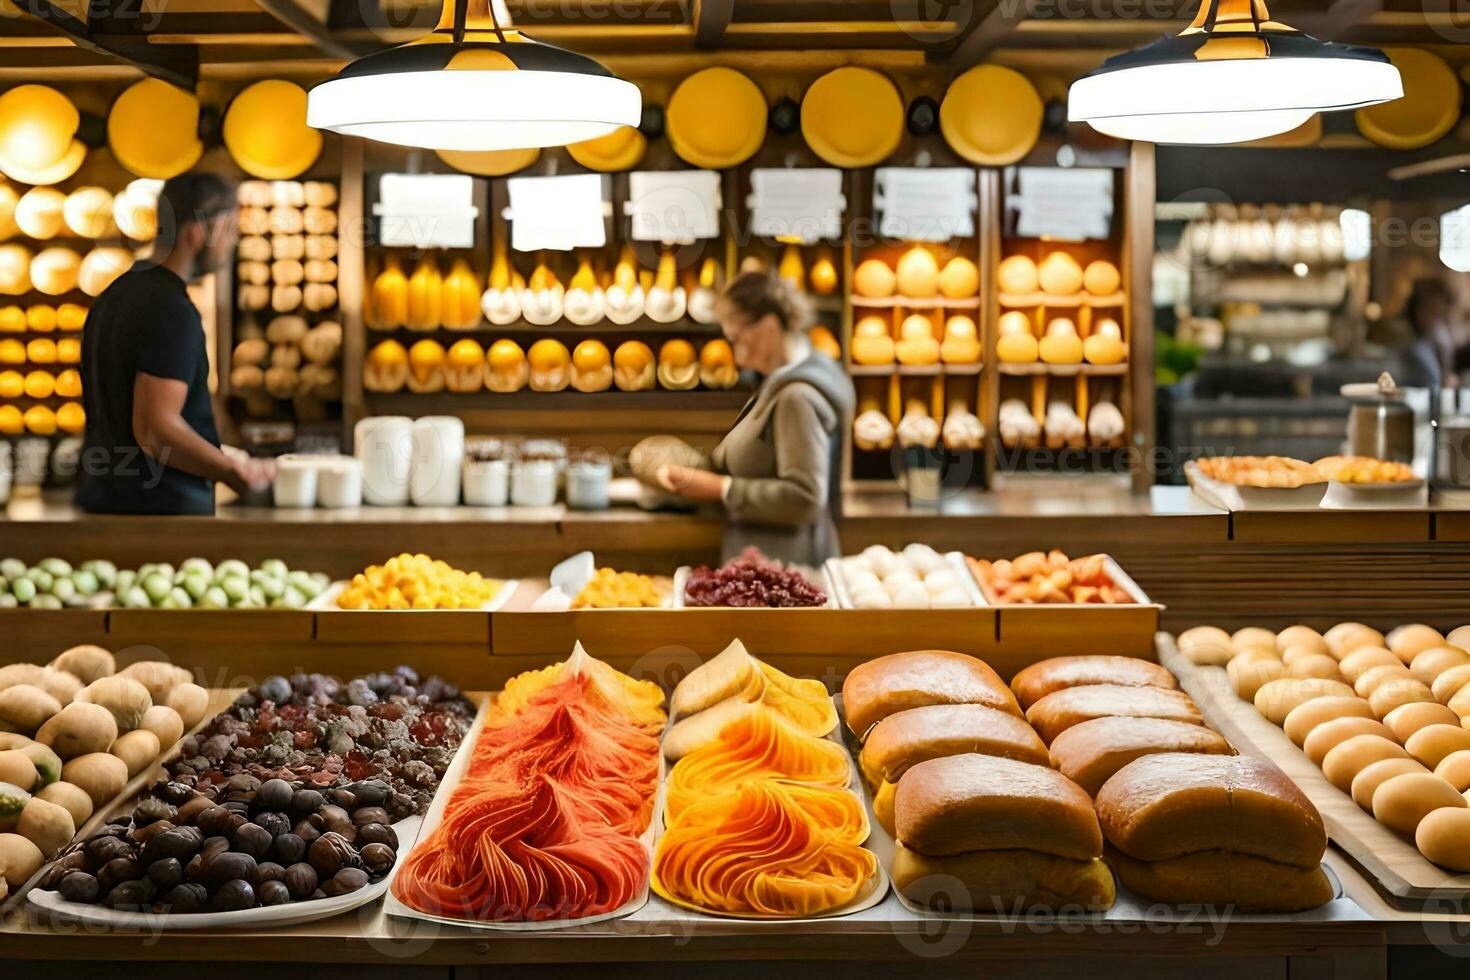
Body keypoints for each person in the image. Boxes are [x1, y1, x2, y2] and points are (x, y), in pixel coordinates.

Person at [77, 173, 267, 515]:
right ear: (196, 232)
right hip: (161, 517)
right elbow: (155, 429)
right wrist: (234, 473)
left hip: (105, 503)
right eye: (229, 229)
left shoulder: (113, 295)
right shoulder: (172, 310)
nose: (233, 242)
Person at [655, 269, 855, 565]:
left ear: (768, 327)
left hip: (785, 574)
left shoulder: (796, 397)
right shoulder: (792, 379)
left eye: (735, 338)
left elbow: (805, 498)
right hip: (771, 566)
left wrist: (720, 489)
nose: (735, 356)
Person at [1399, 277, 1458, 391]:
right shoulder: (1410, 346)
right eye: (1431, 310)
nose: (1436, 318)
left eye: (1439, 311)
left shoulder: (1439, 337)